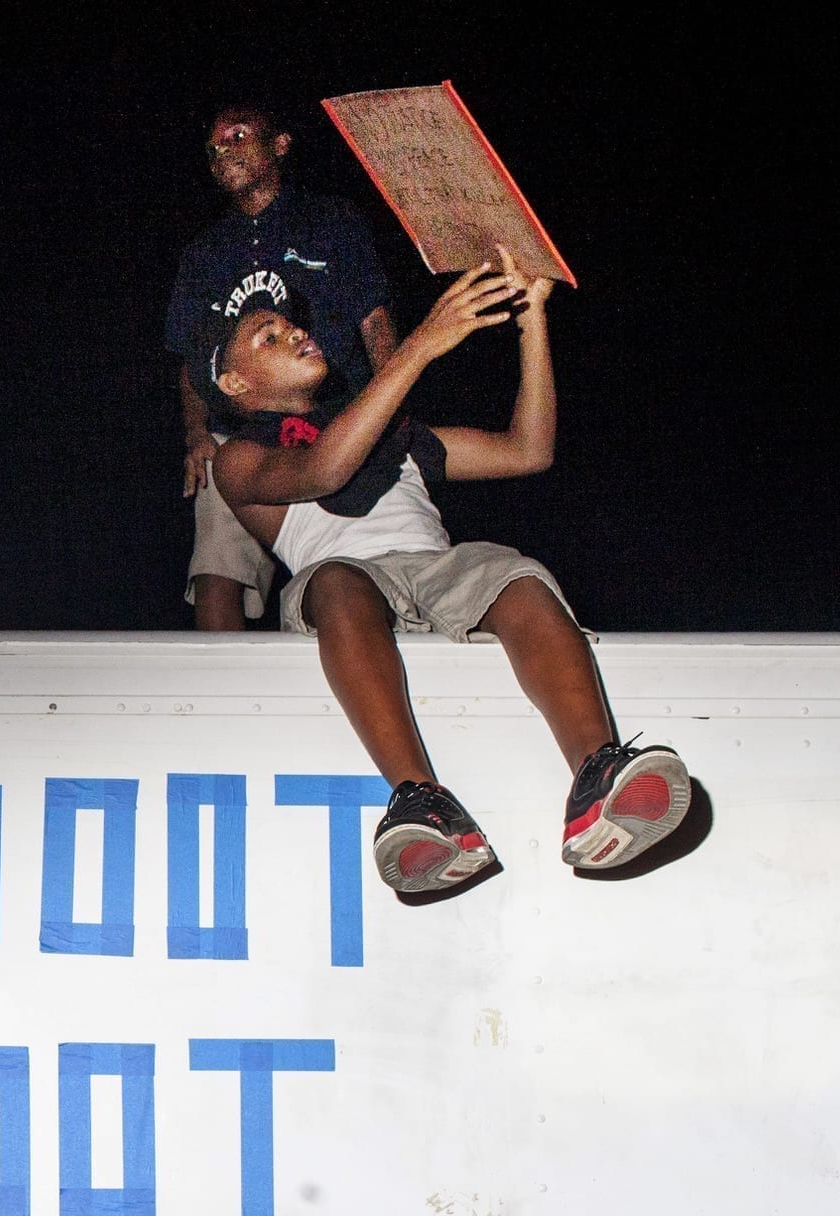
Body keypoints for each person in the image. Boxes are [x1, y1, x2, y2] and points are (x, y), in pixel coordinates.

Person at [202, 249, 692, 888]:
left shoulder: (394, 437)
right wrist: (421, 346)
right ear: (235, 383)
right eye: (268, 336)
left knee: (517, 575)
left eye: (292, 323)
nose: (296, 330)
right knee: (338, 586)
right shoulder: (238, 459)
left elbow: (528, 449)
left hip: (434, 569)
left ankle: (595, 779)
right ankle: (421, 800)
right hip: (345, 578)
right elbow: (325, 470)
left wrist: (532, 322)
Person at [166, 103, 399, 630]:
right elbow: (188, 355)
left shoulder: (331, 221)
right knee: (217, 552)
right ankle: (222, 678)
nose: (222, 150)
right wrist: (197, 434)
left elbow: (375, 322)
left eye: (238, 136)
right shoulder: (204, 253)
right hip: (242, 430)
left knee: (361, 550)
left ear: (280, 145)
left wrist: (393, 406)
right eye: (214, 145)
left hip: (335, 418)